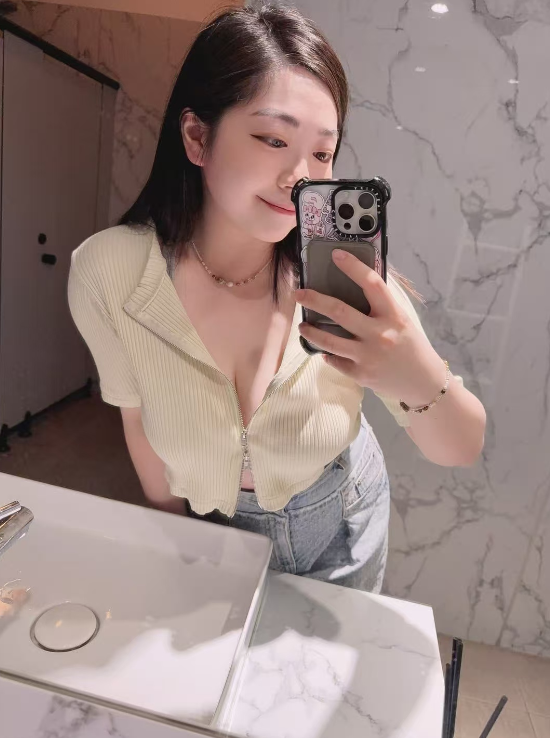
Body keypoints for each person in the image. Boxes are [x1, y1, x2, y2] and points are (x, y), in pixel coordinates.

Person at [68, 4, 486, 593]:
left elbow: (463, 447)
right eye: (273, 139)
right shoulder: (109, 272)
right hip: (211, 526)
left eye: (322, 153)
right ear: (197, 137)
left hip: (341, 523)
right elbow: (134, 417)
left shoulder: (348, 279)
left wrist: (416, 374)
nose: (300, 177)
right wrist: (176, 539)